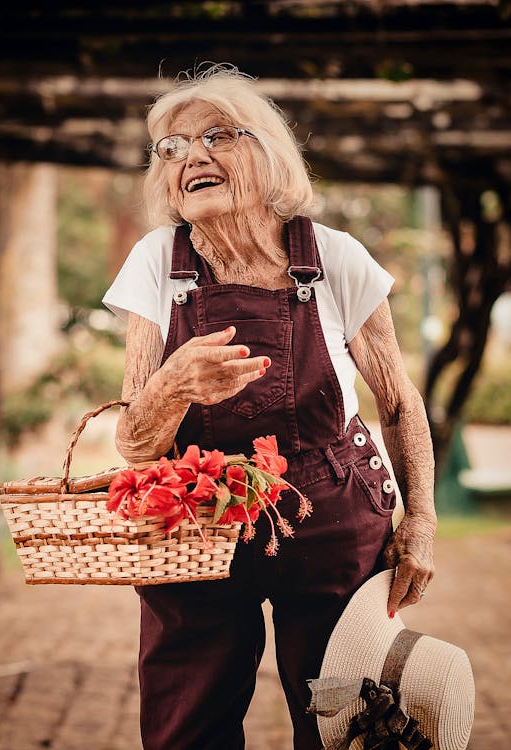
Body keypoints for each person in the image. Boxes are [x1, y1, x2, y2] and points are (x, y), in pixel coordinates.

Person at [102, 63, 437, 750]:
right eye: (171, 147)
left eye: (217, 136)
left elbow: (399, 401)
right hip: (195, 519)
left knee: (344, 721)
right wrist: (171, 386)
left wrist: (422, 518)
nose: (190, 156)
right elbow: (134, 445)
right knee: (183, 726)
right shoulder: (154, 263)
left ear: (269, 154)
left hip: (332, 517)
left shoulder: (336, 257)